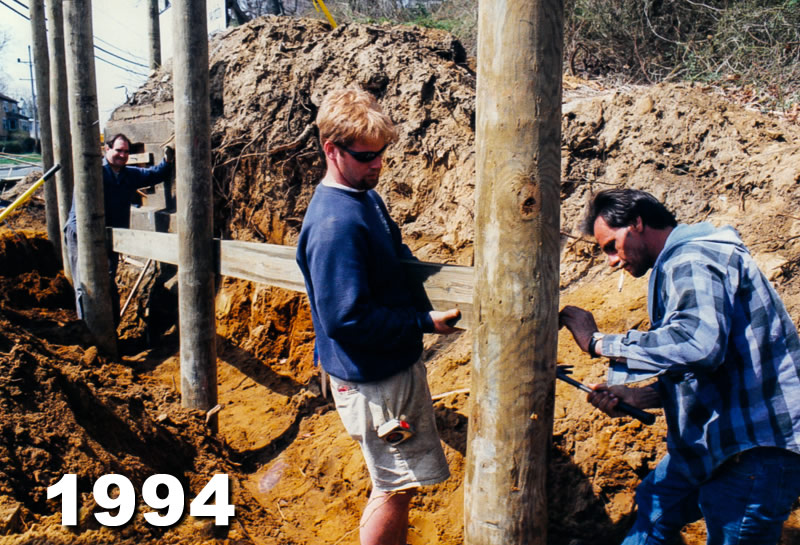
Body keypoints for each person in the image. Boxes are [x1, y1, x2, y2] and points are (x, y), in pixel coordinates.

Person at [559, 188, 800, 545]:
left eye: (611, 246)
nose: (611, 261)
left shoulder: (692, 257)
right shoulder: (679, 261)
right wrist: (640, 397)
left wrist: (598, 342)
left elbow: (697, 343)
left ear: (637, 223)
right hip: (716, 444)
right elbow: (713, 364)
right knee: (655, 509)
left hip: (753, 450)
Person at [296, 88, 461, 545]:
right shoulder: (336, 224)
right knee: (395, 488)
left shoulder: (364, 197)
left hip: (382, 374)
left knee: (393, 485)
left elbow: (394, 255)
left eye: (382, 152)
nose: (378, 164)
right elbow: (344, 319)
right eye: (366, 155)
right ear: (332, 150)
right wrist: (423, 323)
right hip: (375, 384)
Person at [64, 133, 174, 321]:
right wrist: (87, 238)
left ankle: (111, 328)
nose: (122, 155)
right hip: (82, 234)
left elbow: (154, 174)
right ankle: (88, 328)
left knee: (107, 281)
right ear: (107, 149)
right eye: (118, 150)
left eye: (126, 152)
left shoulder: (128, 174)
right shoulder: (93, 172)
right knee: (86, 284)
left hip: (111, 237)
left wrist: (168, 158)